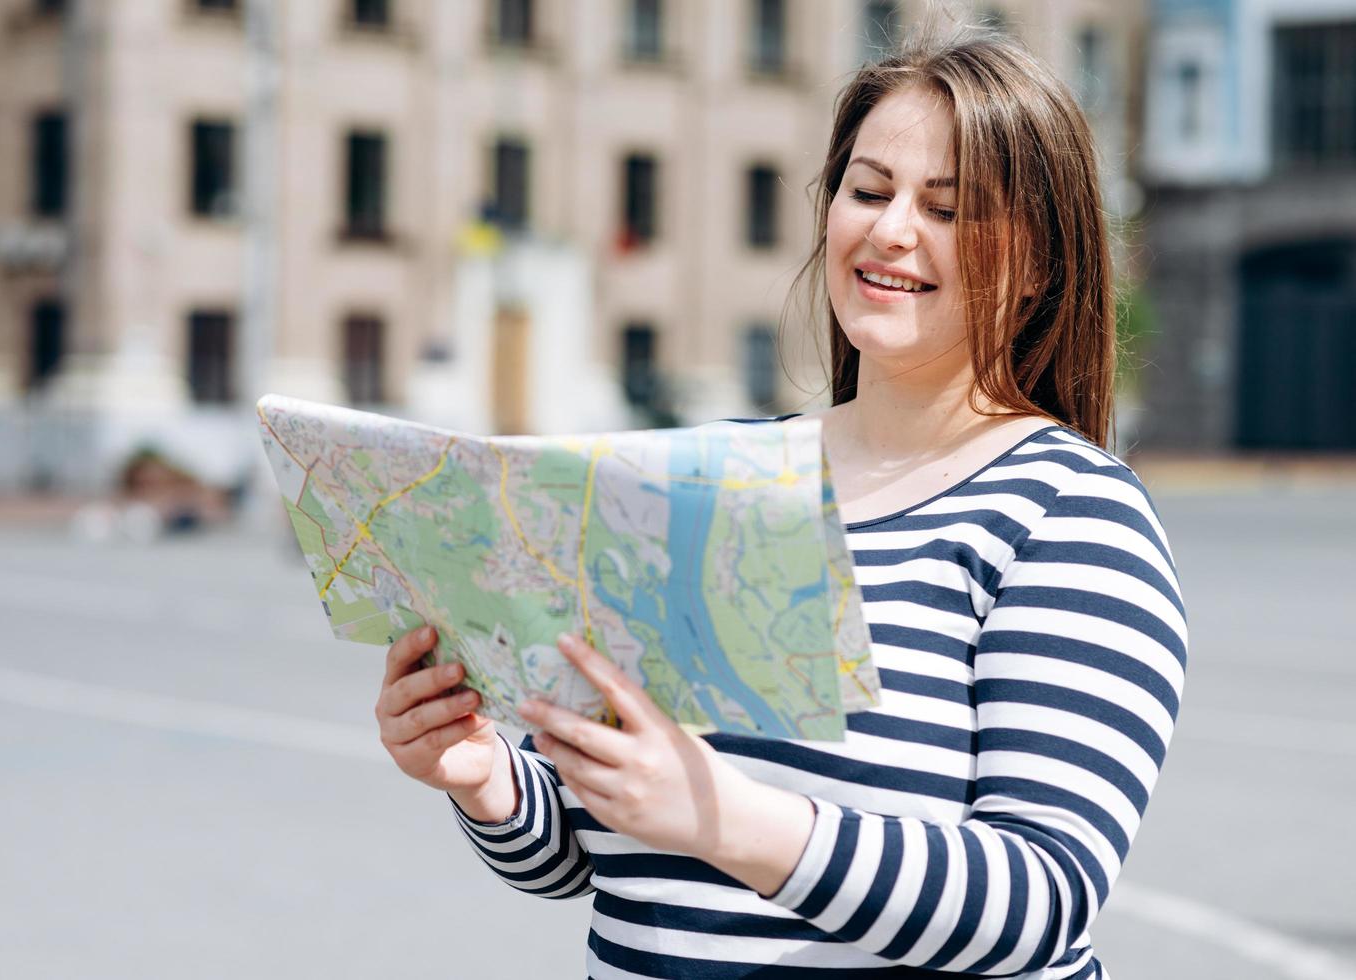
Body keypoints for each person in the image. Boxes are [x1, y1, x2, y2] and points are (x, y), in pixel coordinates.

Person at [374, 25, 1187, 980]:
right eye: (869, 190)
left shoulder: (1071, 515)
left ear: (1040, 261)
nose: (890, 231)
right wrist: (485, 778)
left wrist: (734, 821)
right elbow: (595, 852)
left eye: (948, 208)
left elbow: (1039, 899)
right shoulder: (708, 479)